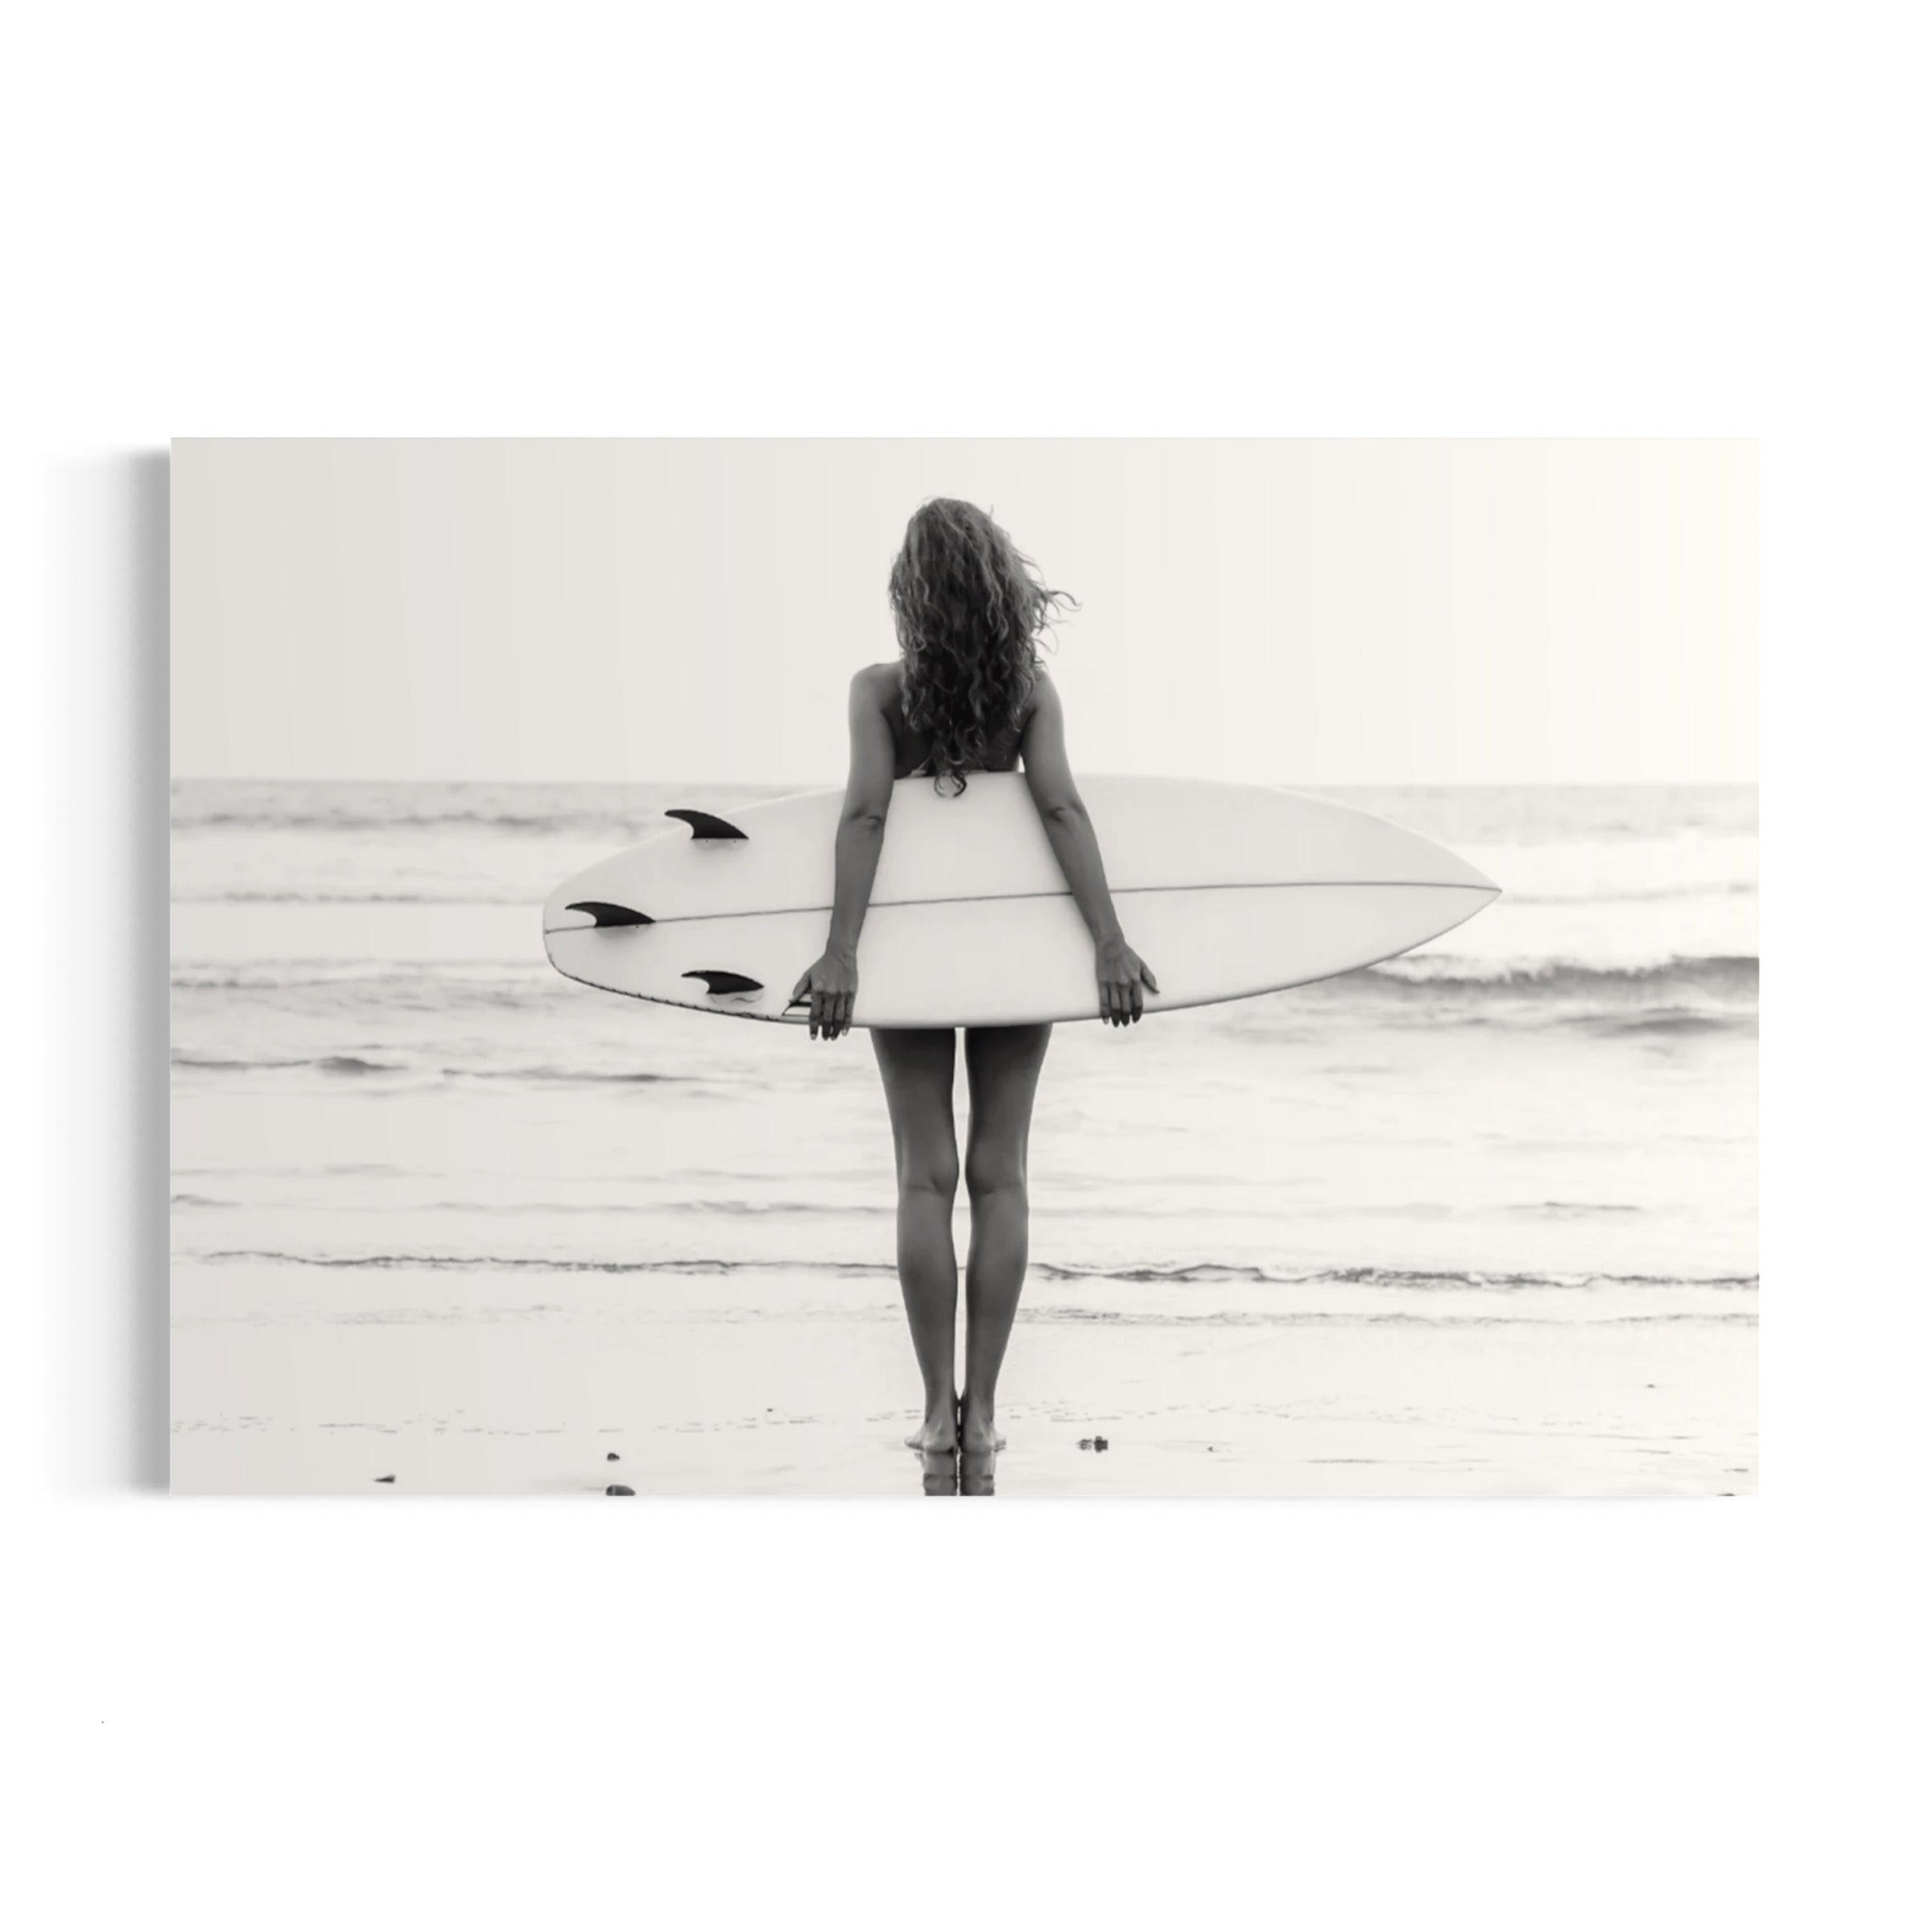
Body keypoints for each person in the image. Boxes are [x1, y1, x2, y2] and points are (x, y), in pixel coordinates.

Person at [789, 498, 1158, 1460]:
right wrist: (1109, 943)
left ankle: (932, 1416)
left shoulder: (879, 692)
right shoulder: (1027, 693)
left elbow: (866, 818)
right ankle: (983, 1415)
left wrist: (842, 953)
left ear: (912, 594)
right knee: (1001, 1177)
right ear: (999, 587)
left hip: (909, 955)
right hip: (1013, 953)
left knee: (924, 1177)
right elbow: (1064, 812)